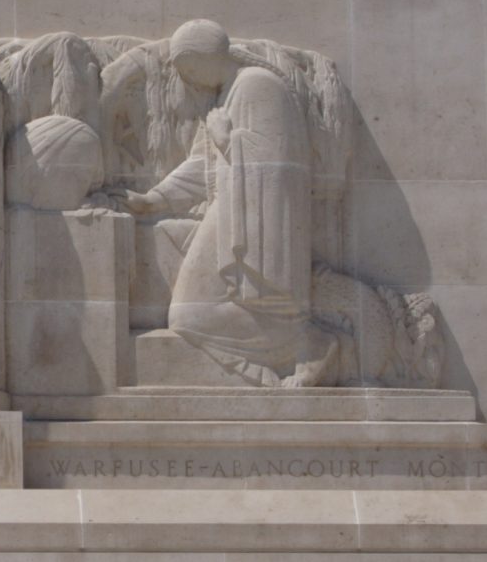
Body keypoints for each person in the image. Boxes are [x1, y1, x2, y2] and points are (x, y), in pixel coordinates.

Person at [115, 20, 330, 387]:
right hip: (231, 205)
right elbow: (204, 164)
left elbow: (278, 161)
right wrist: (155, 200)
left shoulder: (258, 86)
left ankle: (311, 344)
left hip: (253, 214)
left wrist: (228, 140)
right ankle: (300, 347)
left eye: (188, 69)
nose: (188, 80)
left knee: (188, 315)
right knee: (186, 311)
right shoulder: (227, 94)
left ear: (202, 59)